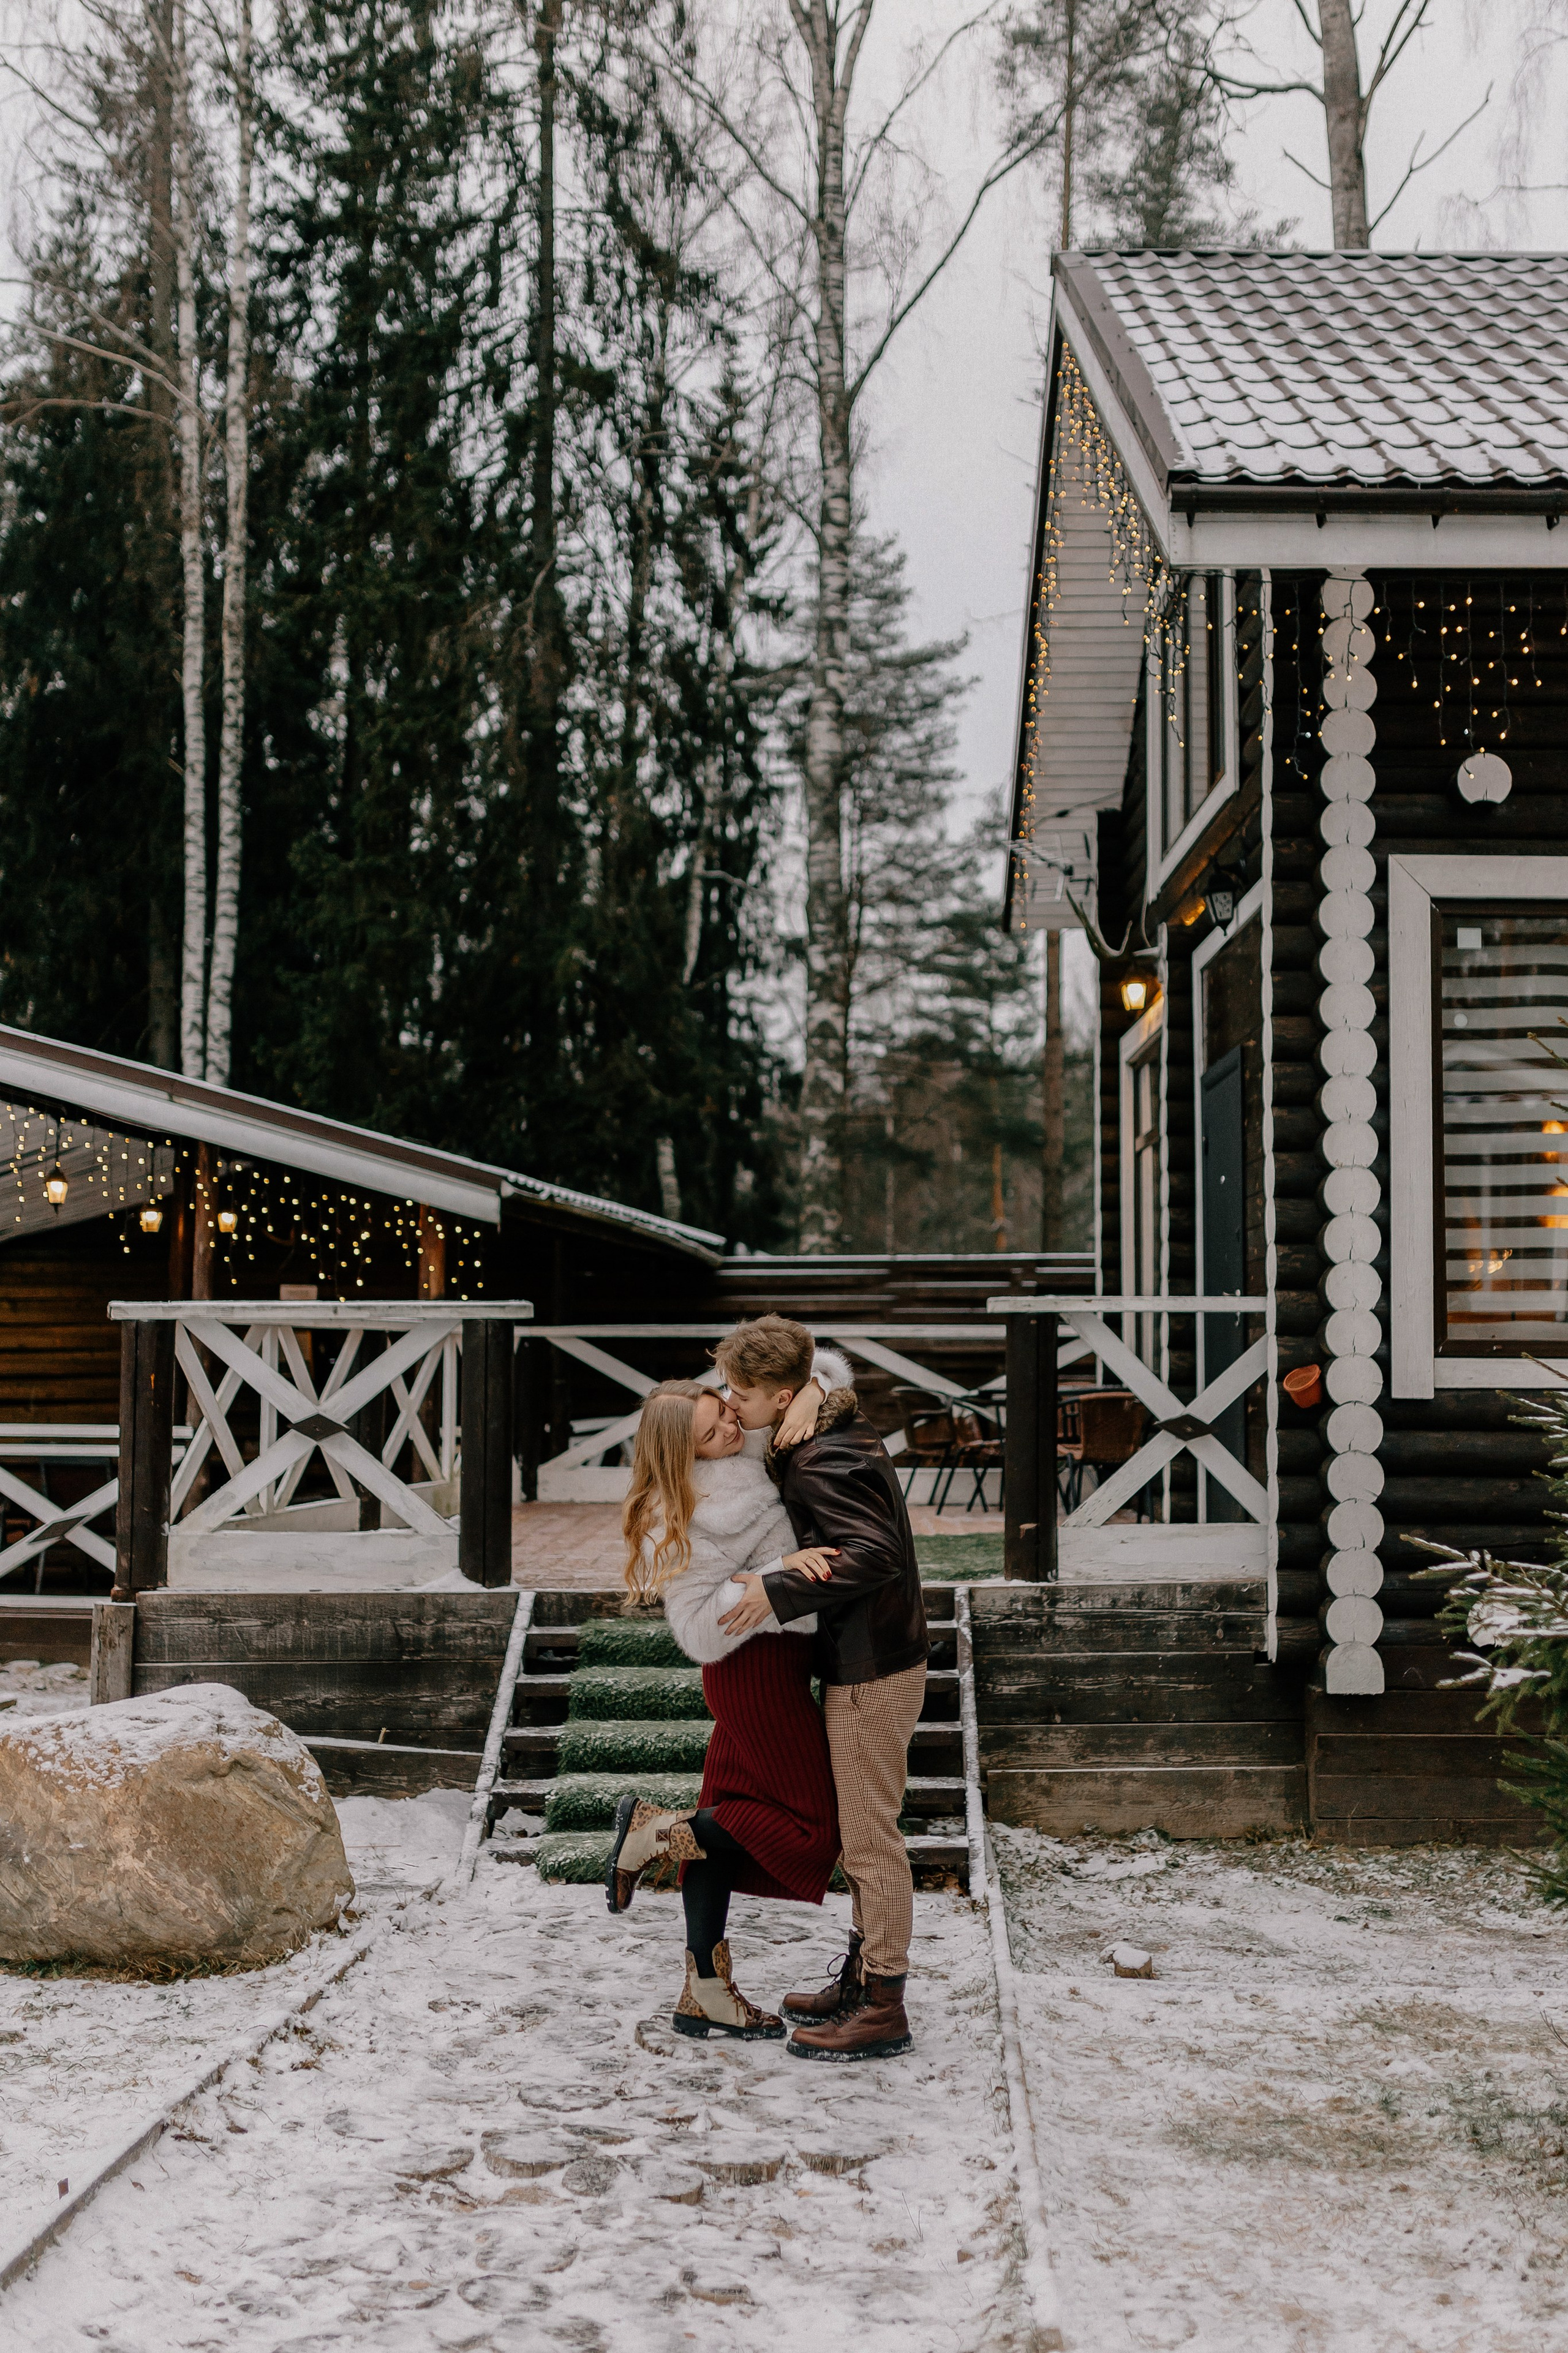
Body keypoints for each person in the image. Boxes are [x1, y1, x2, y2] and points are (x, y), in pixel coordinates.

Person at [604, 1369, 849, 2041]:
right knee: (812, 1827)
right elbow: (699, 1629)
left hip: (782, 1665)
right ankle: (652, 1833)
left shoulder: (743, 1443)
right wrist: (780, 1579)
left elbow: (821, 1369)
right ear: (681, 1455)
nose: (732, 1431)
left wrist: (804, 1393)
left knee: (712, 1847)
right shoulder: (675, 1514)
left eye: (726, 1414)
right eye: (711, 1434)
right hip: (752, 1675)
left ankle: (705, 1993)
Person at [715, 1315, 927, 2063]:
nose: (727, 1402)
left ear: (780, 1394)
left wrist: (776, 1590)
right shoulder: (821, 1432)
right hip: (871, 1659)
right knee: (865, 1837)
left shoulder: (821, 1456)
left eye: (739, 1392)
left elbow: (876, 1553)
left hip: (874, 1672)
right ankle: (864, 1979)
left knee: (872, 1842)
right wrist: (813, 1392)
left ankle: (883, 2006)